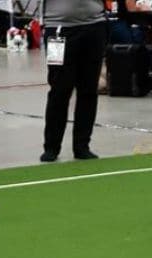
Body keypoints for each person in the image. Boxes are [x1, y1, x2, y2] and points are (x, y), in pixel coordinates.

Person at [40, 0, 109, 162]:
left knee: (89, 90)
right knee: (59, 90)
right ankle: (51, 146)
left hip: (94, 26)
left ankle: (82, 145)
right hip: (58, 29)